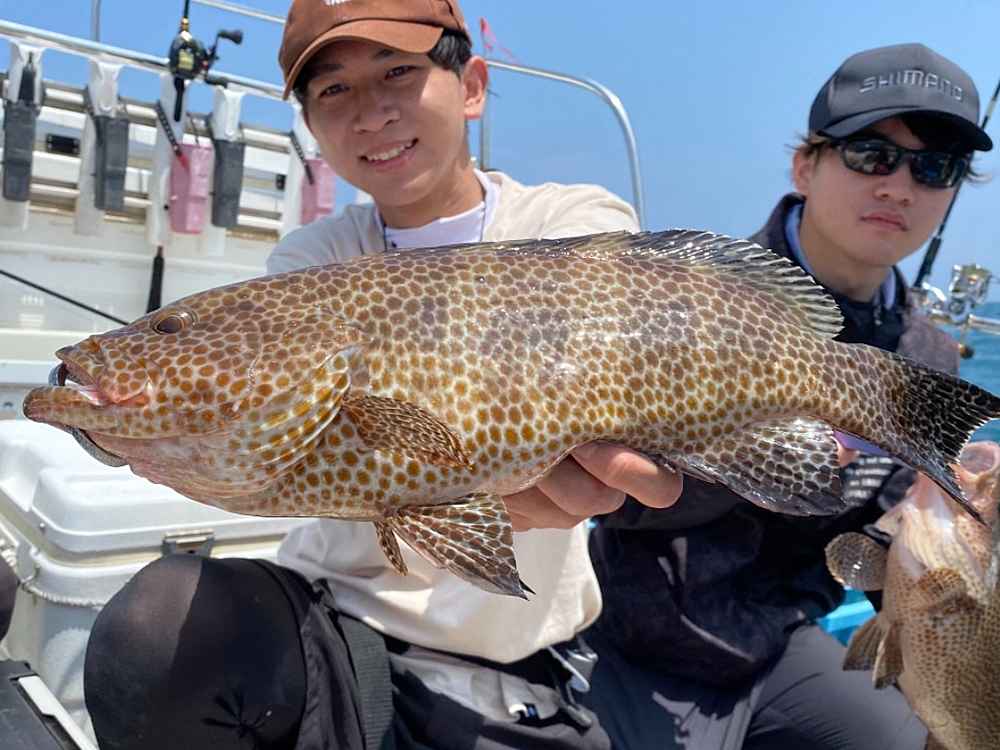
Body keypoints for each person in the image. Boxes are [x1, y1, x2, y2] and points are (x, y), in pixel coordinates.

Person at [82, 2, 681, 749]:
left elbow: (619, 328)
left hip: (518, 664)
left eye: (397, 71)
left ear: (472, 85)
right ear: (311, 123)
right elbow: (257, 430)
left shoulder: (571, 222)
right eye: (334, 90)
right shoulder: (309, 263)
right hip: (329, 625)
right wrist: (117, 421)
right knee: (157, 630)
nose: (370, 114)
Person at [581, 43, 992, 750]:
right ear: (806, 166)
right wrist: (766, 459)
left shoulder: (926, 358)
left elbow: (876, 547)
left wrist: (958, 527)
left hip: (782, 646)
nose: (900, 187)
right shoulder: (690, 300)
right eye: (872, 155)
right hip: (631, 642)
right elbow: (617, 502)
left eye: (935, 168)